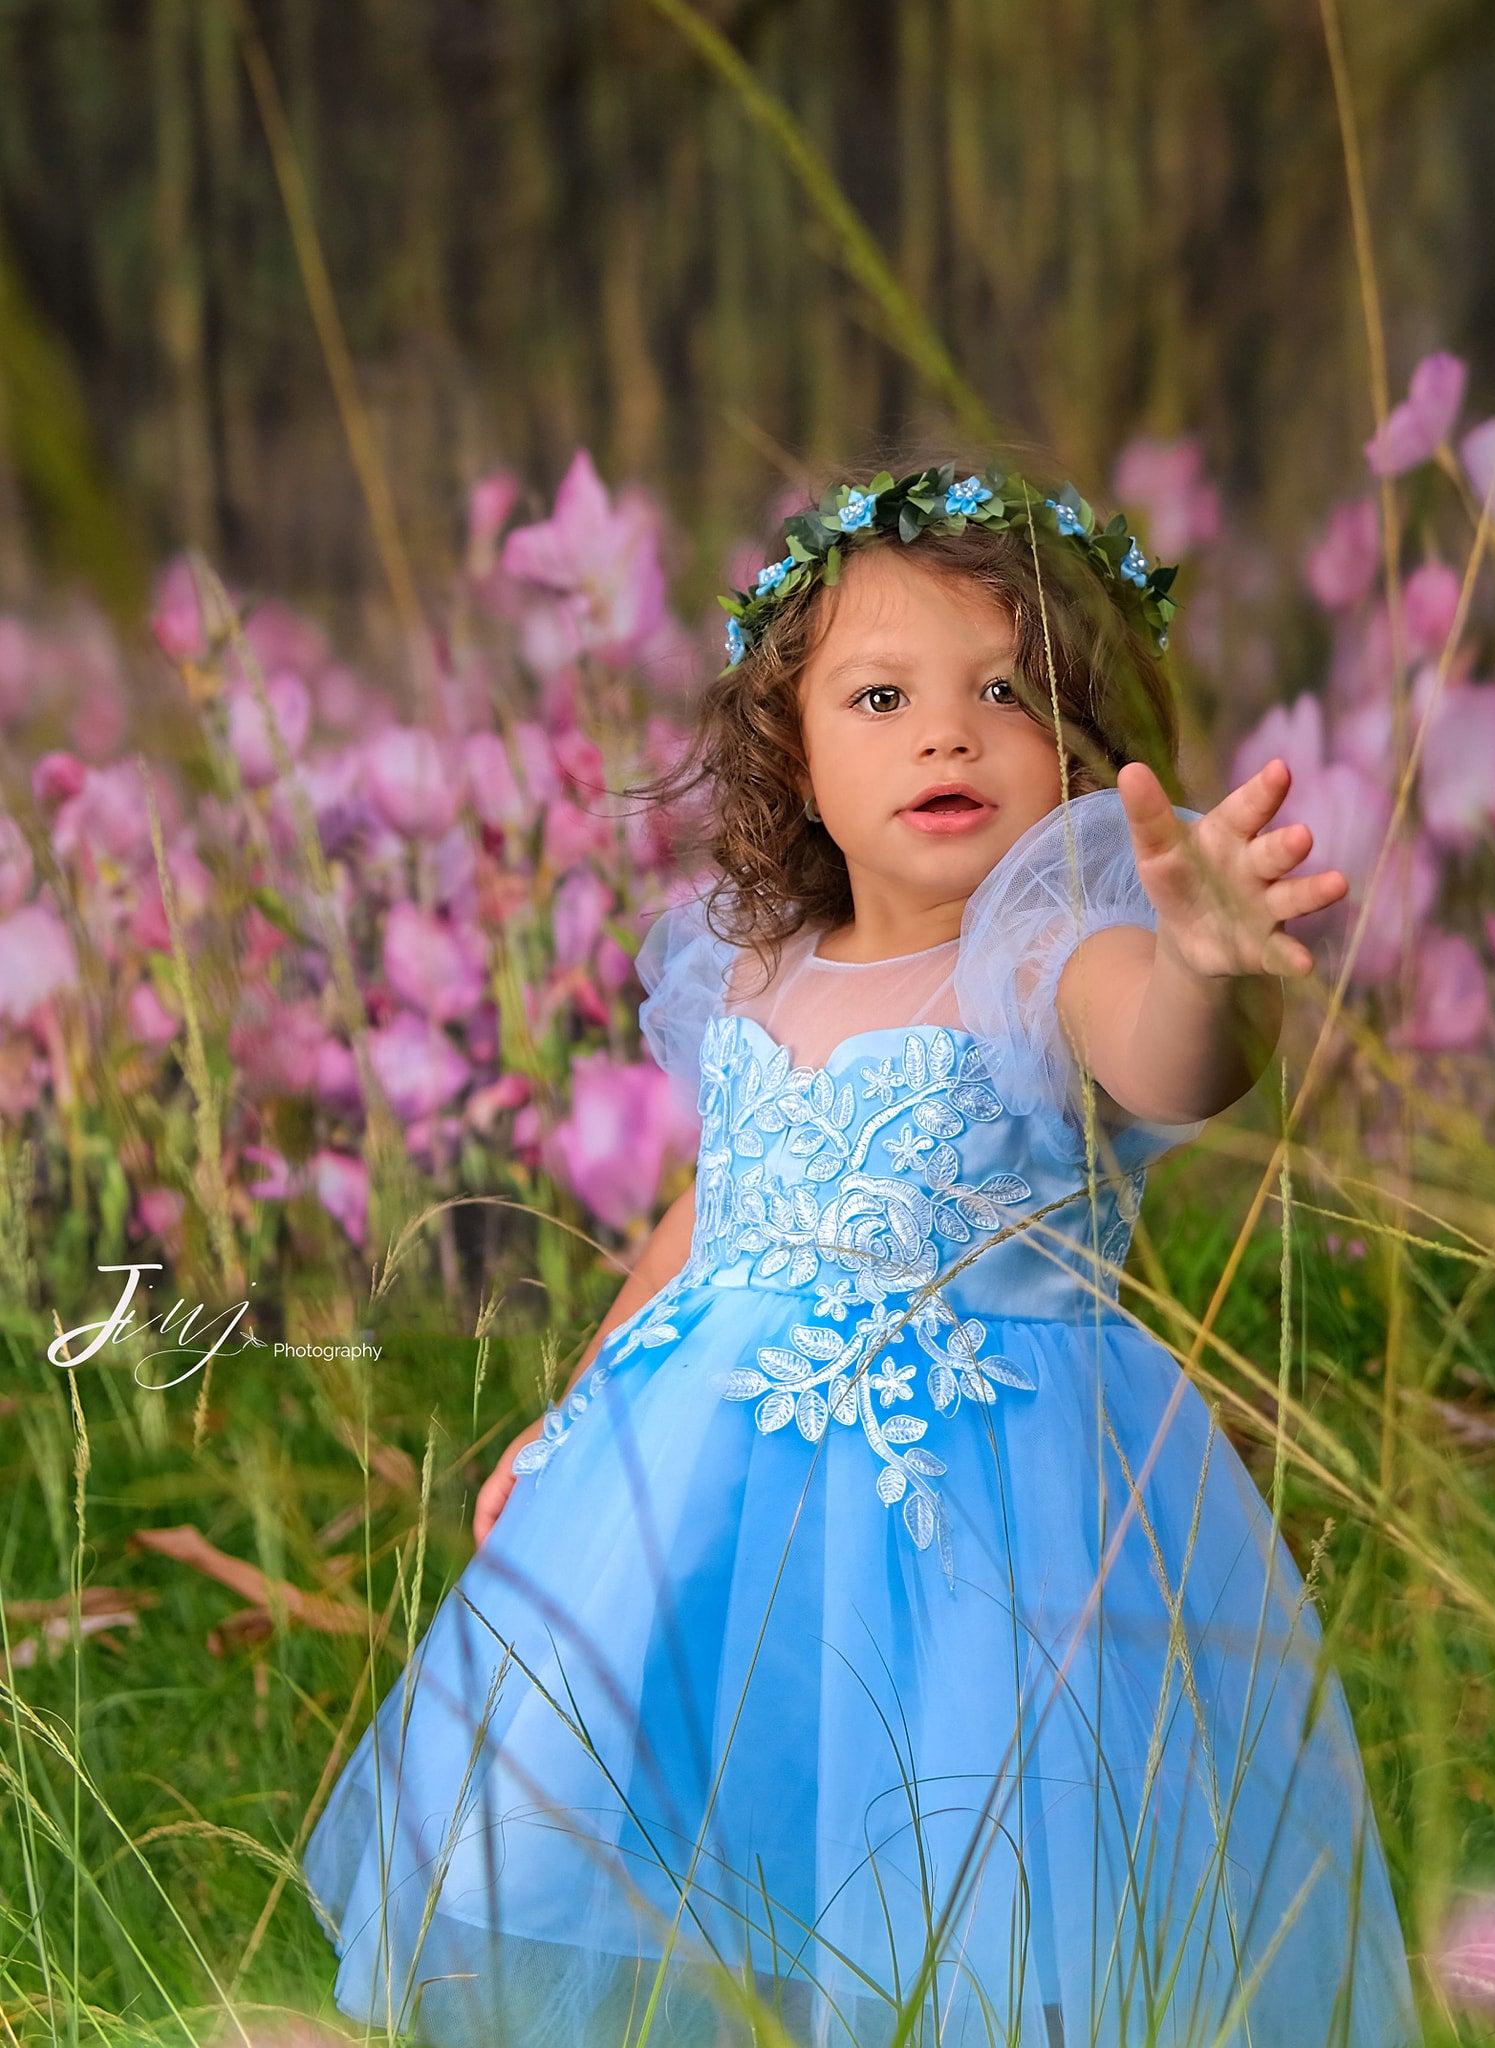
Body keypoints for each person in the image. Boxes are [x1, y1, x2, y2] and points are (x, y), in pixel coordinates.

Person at [304, 463, 1422, 2047]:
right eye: (882, 696)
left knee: (977, 1861)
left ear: (1086, 751)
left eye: (1006, 694)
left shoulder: (1062, 957)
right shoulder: (760, 971)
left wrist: (1212, 971)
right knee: (715, 1818)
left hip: (999, 1532)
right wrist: (573, 1414)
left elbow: (1172, 1057)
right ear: (797, 756)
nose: (947, 734)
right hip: (709, 1499)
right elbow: (715, 1217)